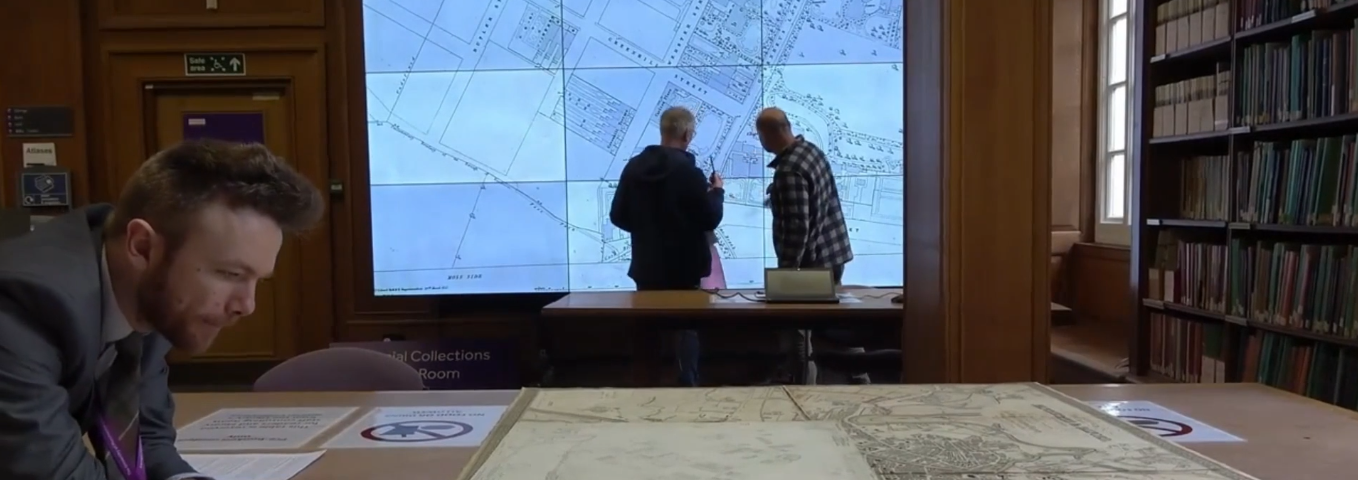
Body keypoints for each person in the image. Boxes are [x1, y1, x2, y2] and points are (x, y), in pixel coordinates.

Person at [0, 139, 325, 480]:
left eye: (259, 280)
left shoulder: (151, 296)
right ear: (141, 246)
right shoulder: (22, 308)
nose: (247, 305)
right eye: (230, 274)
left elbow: (148, 445)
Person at [610, 106, 724, 387]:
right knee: (685, 329)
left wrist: (648, 231)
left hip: (646, 266)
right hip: (685, 269)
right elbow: (710, 217)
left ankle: (647, 385)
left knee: (648, 329)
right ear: (687, 134)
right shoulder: (689, 171)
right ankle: (687, 387)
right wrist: (717, 193)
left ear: (663, 131)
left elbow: (617, 215)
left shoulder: (634, 167)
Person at [755, 107, 863, 385]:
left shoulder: (789, 169)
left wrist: (787, 272)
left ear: (770, 133)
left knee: (799, 333)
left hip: (810, 264)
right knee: (832, 327)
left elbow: (798, 227)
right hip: (833, 253)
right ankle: (860, 374)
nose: (760, 142)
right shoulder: (811, 151)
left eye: (760, 135)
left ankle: (804, 389)